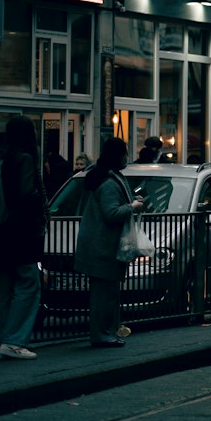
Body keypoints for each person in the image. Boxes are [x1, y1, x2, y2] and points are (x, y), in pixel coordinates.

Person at [0, 115, 47, 361]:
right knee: (29, 284)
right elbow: (26, 196)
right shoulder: (25, 159)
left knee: (3, 286)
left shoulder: (2, 158)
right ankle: (14, 340)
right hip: (21, 233)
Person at [75, 136, 144, 348]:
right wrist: (133, 206)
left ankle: (105, 332)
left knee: (104, 294)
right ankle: (102, 334)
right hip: (104, 247)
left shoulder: (104, 177)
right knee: (104, 295)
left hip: (100, 245)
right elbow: (111, 213)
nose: (127, 157)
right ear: (117, 156)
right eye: (124, 153)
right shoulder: (109, 183)